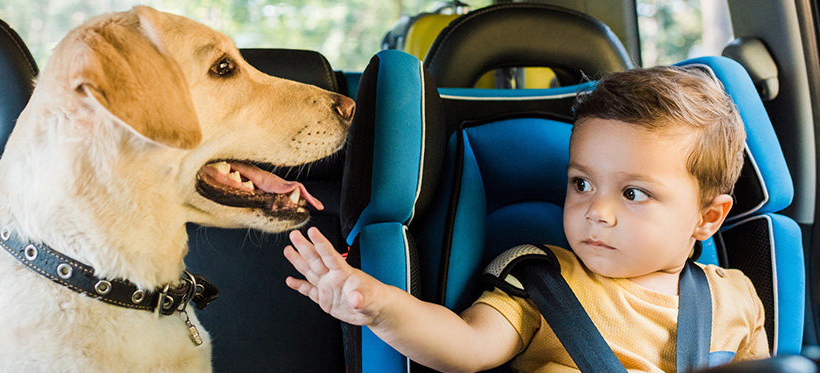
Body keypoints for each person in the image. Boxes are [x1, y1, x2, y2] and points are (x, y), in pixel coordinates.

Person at [283, 65, 769, 372]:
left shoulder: (736, 298)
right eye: (581, 184)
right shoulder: (539, 276)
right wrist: (383, 307)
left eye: (634, 193)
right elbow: (467, 345)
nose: (596, 211)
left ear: (707, 218)